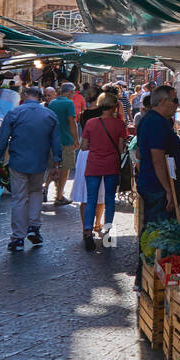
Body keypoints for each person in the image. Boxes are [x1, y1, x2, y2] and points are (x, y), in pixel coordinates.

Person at [0, 86, 62, 252]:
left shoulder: (15, 113)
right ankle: (34, 228)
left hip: (18, 161)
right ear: (40, 98)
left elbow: (2, 137)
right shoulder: (50, 114)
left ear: (24, 96)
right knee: (36, 192)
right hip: (39, 162)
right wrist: (57, 164)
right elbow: (56, 142)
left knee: (19, 198)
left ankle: (18, 238)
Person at [79, 96, 127, 252]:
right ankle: (107, 231)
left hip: (93, 164)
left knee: (91, 198)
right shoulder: (119, 124)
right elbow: (121, 149)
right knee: (109, 199)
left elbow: (84, 146)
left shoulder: (91, 123)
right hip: (111, 164)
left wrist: (96, 145)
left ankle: (87, 232)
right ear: (114, 107)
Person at [136, 83, 180, 226]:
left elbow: (139, 152)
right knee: (158, 230)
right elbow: (158, 159)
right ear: (162, 101)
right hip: (157, 186)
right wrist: (168, 190)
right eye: (174, 100)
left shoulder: (150, 119)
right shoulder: (157, 122)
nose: (177, 104)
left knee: (153, 228)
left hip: (152, 183)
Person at [45, 82, 78, 205]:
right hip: (66, 140)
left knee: (54, 167)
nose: (74, 93)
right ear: (69, 92)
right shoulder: (69, 103)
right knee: (65, 169)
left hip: (53, 140)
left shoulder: (53, 102)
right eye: (73, 91)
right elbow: (72, 122)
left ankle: (46, 186)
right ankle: (59, 196)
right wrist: (76, 139)